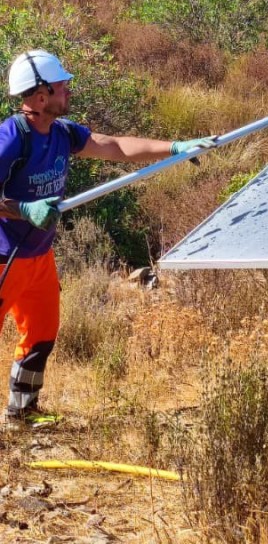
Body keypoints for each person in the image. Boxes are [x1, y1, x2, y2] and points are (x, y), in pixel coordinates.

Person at [0, 50, 214, 428]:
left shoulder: (63, 133)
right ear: (39, 96)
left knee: (41, 333)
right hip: (6, 256)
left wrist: (175, 147)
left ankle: (22, 412)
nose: (68, 89)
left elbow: (114, 146)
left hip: (39, 255)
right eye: (61, 85)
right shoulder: (12, 138)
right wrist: (23, 209)